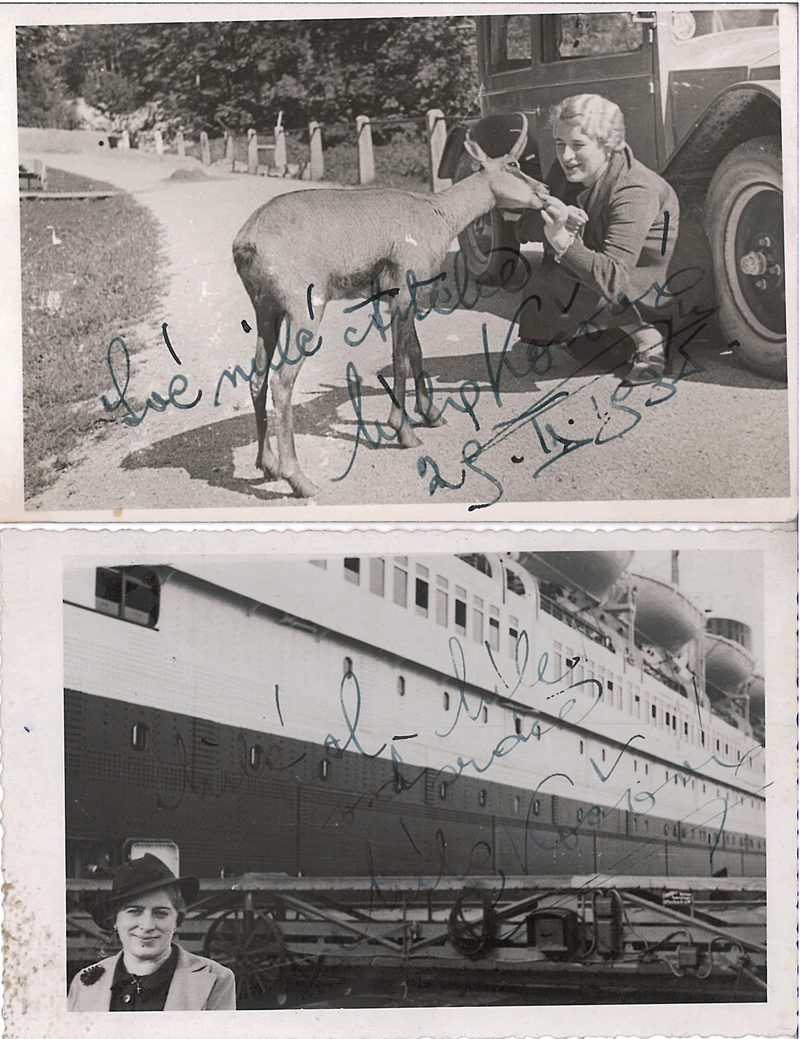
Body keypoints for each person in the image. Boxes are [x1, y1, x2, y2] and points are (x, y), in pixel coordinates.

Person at [516, 93, 679, 384]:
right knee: (548, 296)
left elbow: (615, 277)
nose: (566, 155)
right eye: (560, 144)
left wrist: (564, 243)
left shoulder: (634, 189)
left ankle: (649, 340)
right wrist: (559, 213)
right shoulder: (569, 169)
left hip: (651, 294)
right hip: (606, 286)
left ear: (608, 144)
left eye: (578, 145)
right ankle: (605, 333)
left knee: (565, 282)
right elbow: (522, 227)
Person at [68, 853, 236, 1011]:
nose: (147, 925)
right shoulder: (83, 983)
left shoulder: (216, 979)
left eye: (160, 913)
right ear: (115, 920)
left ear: (177, 921)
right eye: (134, 911)